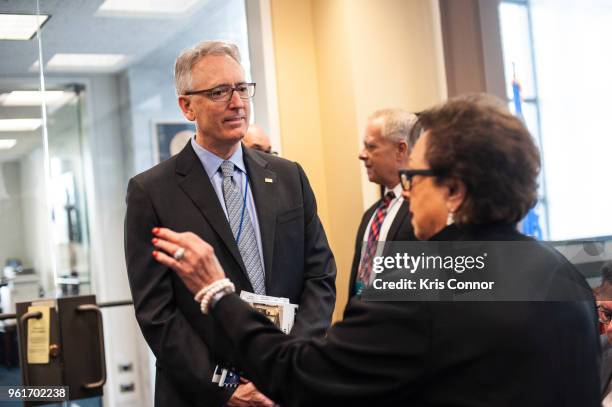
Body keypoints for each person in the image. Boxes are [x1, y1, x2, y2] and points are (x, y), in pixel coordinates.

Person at [151, 94, 600, 406]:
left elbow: (300, 376)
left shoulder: (425, 281)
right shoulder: (562, 274)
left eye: (414, 178)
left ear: (454, 191)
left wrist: (217, 293)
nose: (406, 191)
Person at [124, 40, 336, 407]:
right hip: (204, 395)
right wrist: (225, 391)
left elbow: (320, 277)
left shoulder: (289, 177)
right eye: (219, 92)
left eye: (241, 88)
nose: (237, 102)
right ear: (186, 105)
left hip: (287, 385)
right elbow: (157, 312)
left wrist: (289, 363)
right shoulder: (152, 192)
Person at [350, 109, 419, 298]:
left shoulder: (420, 212)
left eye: (371, 147)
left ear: (401, 150)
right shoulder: (370, 215)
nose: (362, 155)